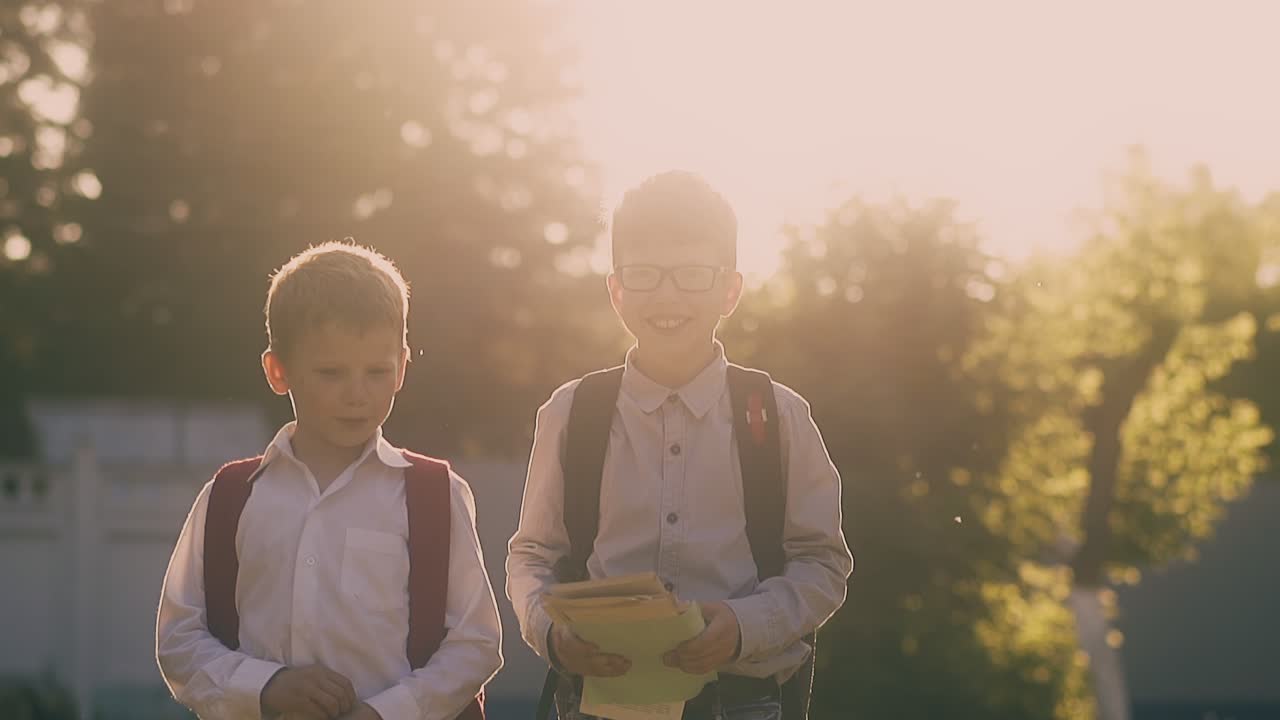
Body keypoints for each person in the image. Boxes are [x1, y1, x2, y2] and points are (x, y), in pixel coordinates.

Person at [506, 172, 853, 720]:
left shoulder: (779, 415)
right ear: (616, 290)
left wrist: (743, 625)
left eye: (692, 275)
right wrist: (551, 632)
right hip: (598, 704)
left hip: (742, 702)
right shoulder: (572, 412)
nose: (667, 295)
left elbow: (822, 563)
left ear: (729, 290)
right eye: (644, 275)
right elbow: (532, 555)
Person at [157, 241, 501, 720]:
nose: (357, 395)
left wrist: (386, 713)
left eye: (377, 372)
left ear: (402, 366)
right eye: (331, 373)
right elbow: (179, 640)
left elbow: (477, 643)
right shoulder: (230, 496)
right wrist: (265, 686)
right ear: (278, 371)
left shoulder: (436, 495)